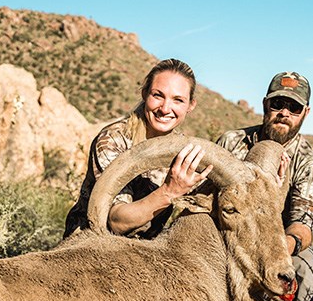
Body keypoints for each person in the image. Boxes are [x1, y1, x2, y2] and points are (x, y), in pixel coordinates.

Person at [215, 72, 313, 301]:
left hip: (276, 243)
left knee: (304, 269)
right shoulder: (231, 142)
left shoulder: (307, 163)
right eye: (277, 103)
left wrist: (278, 253)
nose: (284, 113)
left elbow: (303, 226)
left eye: (293, 108)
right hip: (228, 233)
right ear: (265, 105)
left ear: (305, 113)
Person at [63, 59, 210, 238]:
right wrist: (169, 191)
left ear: (190, 106)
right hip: (90, 245)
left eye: (178, 100)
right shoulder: (113, 140)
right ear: (144, 94)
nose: (165, 109)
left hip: (142, 253)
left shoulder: (183, 151)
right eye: (158, 95)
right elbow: (117, 222)